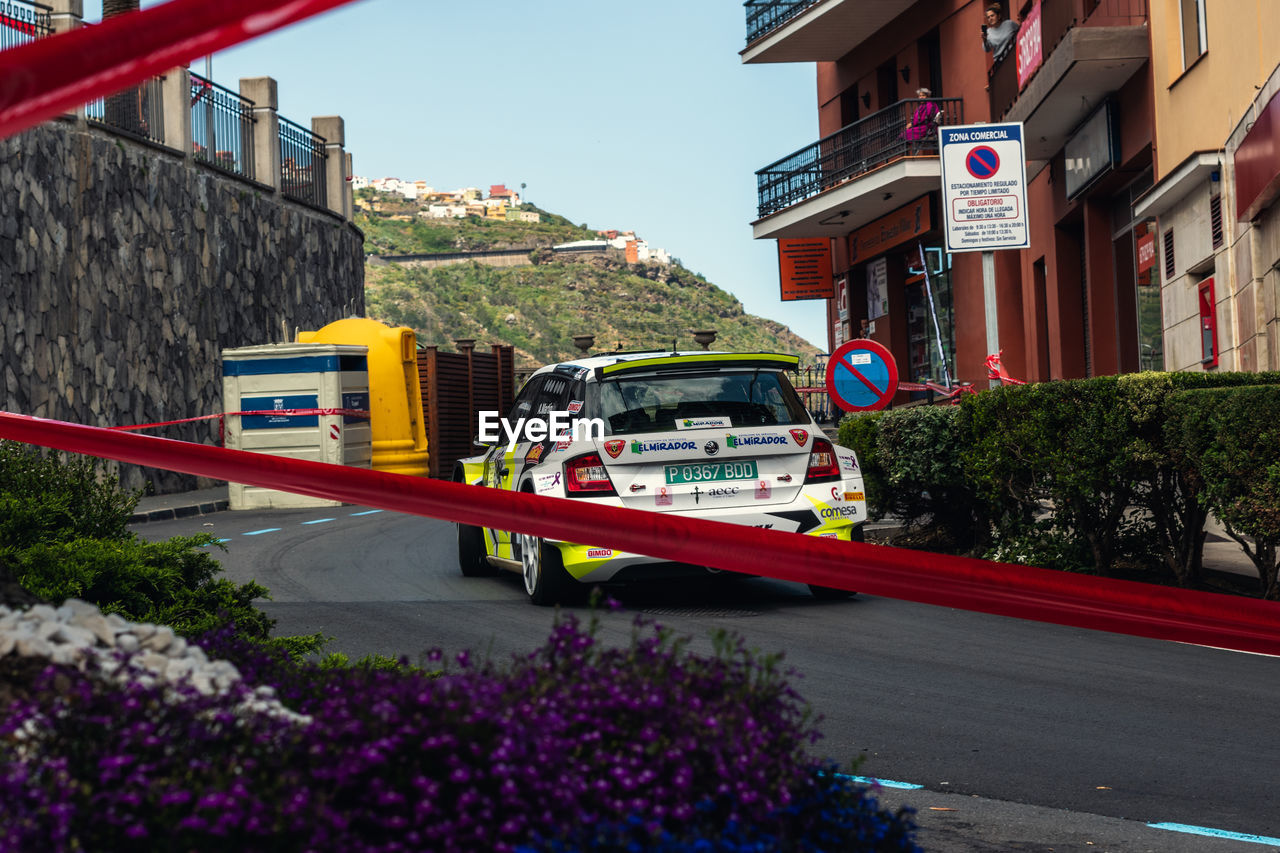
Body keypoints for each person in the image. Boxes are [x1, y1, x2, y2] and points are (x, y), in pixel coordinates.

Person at [901, 87, 941, 152]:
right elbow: (916, 118)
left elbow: (923, 118)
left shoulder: (930, 104)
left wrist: (912, 124)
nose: (921, 97)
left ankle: (904, 150)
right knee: (905, 133)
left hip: (928, 127)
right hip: (921, 126)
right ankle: (903, 149)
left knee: (907, 133)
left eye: (923, 95)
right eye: (919, 96)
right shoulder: (920, 107)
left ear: (927, 96)